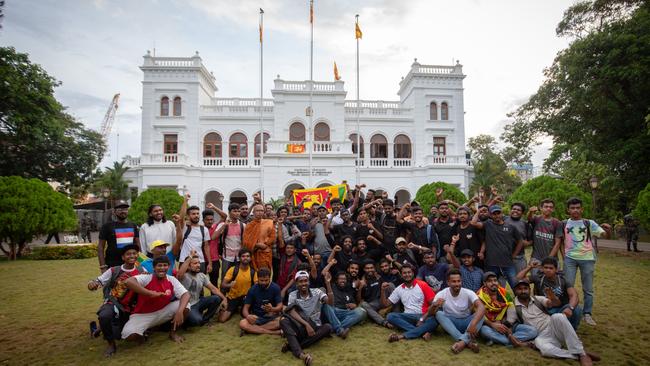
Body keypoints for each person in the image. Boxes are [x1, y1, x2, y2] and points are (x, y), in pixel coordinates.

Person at [506, 279, 600, 366]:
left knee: (558, 316)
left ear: (529, 290)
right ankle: (578, 355)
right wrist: (510, 336)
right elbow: (509, 324)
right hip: (542, 335)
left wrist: (553, 298)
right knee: (545, 350)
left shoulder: (538, 298)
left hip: (553, 326)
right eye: (519, 289)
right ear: (515, 291)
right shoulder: (513, 306)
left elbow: (553, 304)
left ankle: (581, 353)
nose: (523, 291)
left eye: (525, 288)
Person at [562, 197, 611, 326]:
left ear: (582, 209)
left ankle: (587, 314)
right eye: (572, 208)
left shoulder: (589, 223)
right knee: (567, 286)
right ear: (568, 210)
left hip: (587, 258)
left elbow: (604, 235)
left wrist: (608, 230)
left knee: (588, 289)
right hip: (570, 258)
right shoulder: (564, 223)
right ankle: (566, 310)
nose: (575, 210)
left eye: (578, 208)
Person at [87, 244, 141, 357]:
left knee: (120, 335)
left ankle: (100, 328)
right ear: (123, 257)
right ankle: (111, 345)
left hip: (130, 307)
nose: (132, 256)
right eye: (128, 254)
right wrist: (92, 284)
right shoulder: (113, 270)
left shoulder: (142, 270)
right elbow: (98, 281)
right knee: (104, 316)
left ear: (137, 255)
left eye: (134, 253)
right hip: (113, 302)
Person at [121, 256, 190, 344]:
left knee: (185, 306)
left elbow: (186, 294)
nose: (162, 268)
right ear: (154, 267)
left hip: (163, 311)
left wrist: (179, 312)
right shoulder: (147, 278)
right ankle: (145, 334)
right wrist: (149, 293)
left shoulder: (171, 279)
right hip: (143, 315)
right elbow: (128, 282)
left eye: (165, 265)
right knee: (128, 335)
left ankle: (173, 333)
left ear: (168, 267)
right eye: (159, 266)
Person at [280, 270, 333, 366]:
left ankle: (292, 346)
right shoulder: (292, 294)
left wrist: (328, 284)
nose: (303, 283)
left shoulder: (317, 291)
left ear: (309, 282)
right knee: (283, 320)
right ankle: (301, 355)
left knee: (328, 327)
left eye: (305, 280)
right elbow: (291, 311)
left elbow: (330, 303)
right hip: (300, 326)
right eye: (300, 281)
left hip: (315, 326)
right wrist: (306, 324)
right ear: (296, 283)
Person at [428, 268, 485, 354]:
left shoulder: (468, 292)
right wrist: (434, 305)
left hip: (467, 323)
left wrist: (473, 323)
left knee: (481, 315)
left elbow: (481, 307)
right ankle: (467, 342)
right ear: (448, 282)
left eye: (459, 281)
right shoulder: (442, 293)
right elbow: (431, 313)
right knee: (439, 314)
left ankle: (462, 342)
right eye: (454, 281)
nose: (457, 284)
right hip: (451, 323)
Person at [517, 257, 582, 330]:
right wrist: (530, 267)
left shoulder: (563, 280)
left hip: (560, 309)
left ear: (556, 269)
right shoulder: (538, 278)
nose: (548, 270)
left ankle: (572, 330)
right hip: (544, 310)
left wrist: (570, 308)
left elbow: (574, 295)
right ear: (542, 268)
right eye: (546, 267)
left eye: (551, 268)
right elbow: (518, 279)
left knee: (577, 309)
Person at [477, 271, 538, 347]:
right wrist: (493, 324)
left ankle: (502, 340)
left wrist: (506, 323)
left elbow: (511, 307)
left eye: (495, 280)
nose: (493, 283)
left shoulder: (504, 293)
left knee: (533, 331)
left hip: (508, 324)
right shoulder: (479, 296)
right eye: (489, 281)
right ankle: (513, 342)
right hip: (491, 326)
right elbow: (478, 315)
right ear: (484, 283)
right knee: (484, 331)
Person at [470, 205, 523, 289]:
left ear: (502, 214)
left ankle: (519, 302)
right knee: (491, 288)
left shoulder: (510, 227)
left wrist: (514, 255)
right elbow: (473, 223)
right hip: (491, 264)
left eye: (498, 213)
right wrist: (478, 211)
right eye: (494, 214)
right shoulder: (488, 224)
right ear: (490, 215)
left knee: (516, 286)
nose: (497, 215)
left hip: (507, 263)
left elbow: (520, 241)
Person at [382, 264, 439, 342]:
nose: (407, 275)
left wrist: (422, 319)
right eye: (404, 273)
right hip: (408, 316)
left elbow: (434, 305)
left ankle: (402, 336)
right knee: (390, 316)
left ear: (413, 273)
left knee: (434, 321)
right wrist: (382, 290)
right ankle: (422, 332)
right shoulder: (399, 289)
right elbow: (386, 304)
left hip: (423, 315)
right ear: (401, 275)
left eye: (409, 272)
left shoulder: (423, 285)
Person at [177, 251, 227, 327]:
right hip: (188, 306)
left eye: (199, 263)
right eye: (195, 263)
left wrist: (224, 299)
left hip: (198, 302)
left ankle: (205, 320)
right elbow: (180, 273)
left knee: (216, 298)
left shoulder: (201, 276)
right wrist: (190, 256)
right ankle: (189, 320)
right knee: (196, 321)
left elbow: (213, 289)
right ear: (188, 266)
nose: (198, 265)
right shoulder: (184, 276)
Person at [322, 271, 367, 338]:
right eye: (340, 279)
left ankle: (335, 328)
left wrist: (354, 305)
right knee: (326, 306)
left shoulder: (348, 289)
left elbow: (354, 303)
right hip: (333, 311)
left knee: (362, 311)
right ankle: (339, 330)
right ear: (337, 280)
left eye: (344, 279)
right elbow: (323, 273)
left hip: (345, 312)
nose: (342, 280)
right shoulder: (332, 286)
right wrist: (328, 282)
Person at [98, 200, 140, 271]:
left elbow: (138, 245)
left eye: (125, 209)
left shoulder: (133, 226)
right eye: (120, 209)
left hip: (131, 265)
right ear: (114, 212)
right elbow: (100, 247)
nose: (123, 211)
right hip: (113, 265)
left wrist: (139, 263)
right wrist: (103, 266)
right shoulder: (107, 226)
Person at [239, 267, 283, 335]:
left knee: (282, 321)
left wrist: (272, 309)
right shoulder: (252, 289)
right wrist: (248, 316)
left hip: (271, 316)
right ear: (258, 279)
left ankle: (251, 330)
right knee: (242, 323)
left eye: (266, 280)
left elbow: (280, 306)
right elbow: (245, 308)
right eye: (261, 280)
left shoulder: (275, 287)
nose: (264, 282)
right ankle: (275, 332)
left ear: (270, 279)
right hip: (257, 317)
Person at [219, 248, 258, 322]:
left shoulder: (253, 271)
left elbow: (257, 286)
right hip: (233, 297)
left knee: (245, 315)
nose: (245, 258)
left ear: (250, 258)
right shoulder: (233, 269)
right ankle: (227, 307)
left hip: (246, 298)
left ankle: (241, 308)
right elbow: (223, 284)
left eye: (247, 256)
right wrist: (229, 285)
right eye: (243, 256)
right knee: (222, 319)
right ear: (239, 258)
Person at [213, 203, 245, 282]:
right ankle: (223, 293)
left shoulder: (243, 225)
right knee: (225, 277)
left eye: (238, 211)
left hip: (239, 256)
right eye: (234, 211)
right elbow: (213, 237)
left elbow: (244, 241)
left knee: (237, 277)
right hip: (227, 257)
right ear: (229, 212)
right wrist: (224, 226)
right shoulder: (223, 224)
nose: (237, 213)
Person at [177, 201, 212, 274]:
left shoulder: (204, 229)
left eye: (197, 213)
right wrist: (185, 201)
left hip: (200, 261)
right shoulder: (185, 227)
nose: (196, 215)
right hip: (185, 261)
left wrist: (209, 263)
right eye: (193, 214)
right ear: (188, 216)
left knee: (200, 284)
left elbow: (206, 247)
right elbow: (181, 218)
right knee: (184, 283)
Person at [358, 260, 394, 327]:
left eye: (371, 268)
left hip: (383, 299)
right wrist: (360, 288)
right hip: (373, 304)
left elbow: (386, 284)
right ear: (364, 269)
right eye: (367, 268)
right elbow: (359, 299)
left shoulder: (378, 276)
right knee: (363, 304)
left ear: (374, 268)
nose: (370, 270)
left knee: (391, 285)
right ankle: (383, 322)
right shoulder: (362, 281)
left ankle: (395, 312)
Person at [527, 199, 564, 264]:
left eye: (551, 207)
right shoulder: (536, 219)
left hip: (552, 259)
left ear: (553, 209)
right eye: (546, 207)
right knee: (535, 274)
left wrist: (549, 259)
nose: (548, 209)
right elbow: (529, 218)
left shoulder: (557, 223)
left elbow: (557, 243)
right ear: (541, 208)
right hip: (536, 258)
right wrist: (530, 212)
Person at [242, 204, 276, 272]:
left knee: (265, 274)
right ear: (253, 212)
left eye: (262, 211)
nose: (260, 212)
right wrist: (257, 245)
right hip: (253, 253)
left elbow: (272, 237)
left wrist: (265, 244)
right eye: (257, 211)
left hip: (265, 253)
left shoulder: (269, 222)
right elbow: (245, 241)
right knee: (253, 274)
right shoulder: (249, 225)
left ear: (264, 212)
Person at [504, 202, 531, 274]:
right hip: (503, 256)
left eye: (518, 210)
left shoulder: (525, 224)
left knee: (520, 281)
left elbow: (531, 241)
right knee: (501, 281)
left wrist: (526, 243)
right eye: (514, 209)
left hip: (519, 258)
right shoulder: (503, 219)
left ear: (522, 213)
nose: (515, 211)